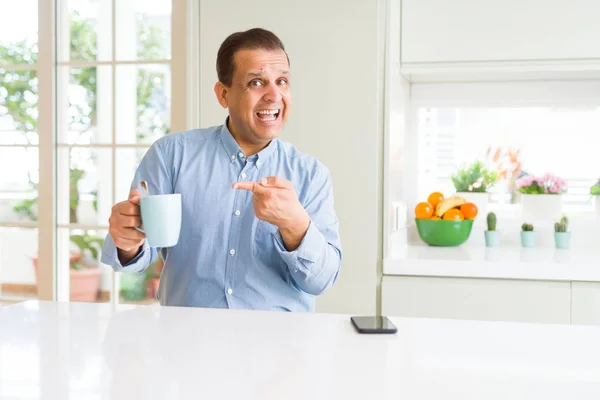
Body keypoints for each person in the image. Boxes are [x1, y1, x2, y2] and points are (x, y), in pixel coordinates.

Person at [101, 28, 342, 312]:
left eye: (282, 81)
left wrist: (295, 226)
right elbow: (135, 257)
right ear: (223, 94)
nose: (274, 95)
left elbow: (322, 281)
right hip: (187, 340)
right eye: (256, 82)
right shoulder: (171, 155)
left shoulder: (311, 175)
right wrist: (127, 241)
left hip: (279, 346)